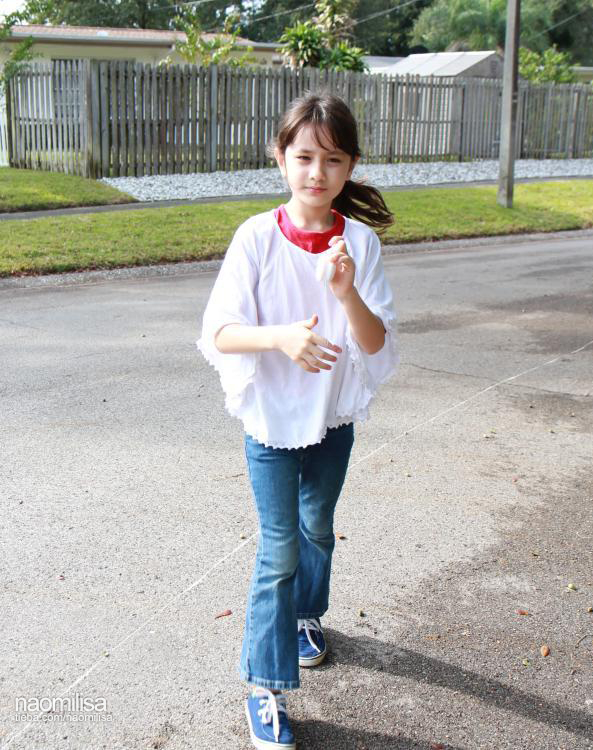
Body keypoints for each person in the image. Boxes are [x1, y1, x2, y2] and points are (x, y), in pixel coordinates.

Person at [196, 89, 399, 749]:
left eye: (333, 160)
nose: (317, 172)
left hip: (332, 422)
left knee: (317, 530)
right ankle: (264, 687)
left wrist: (344, 291)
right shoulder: (255, 237)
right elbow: (219, 333)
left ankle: (308, 615)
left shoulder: (359, 244)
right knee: (278, 548)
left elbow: (376, 343)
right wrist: (281, 337)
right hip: (270, 426)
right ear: (280, 157)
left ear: (350, 167)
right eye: (304, 156)